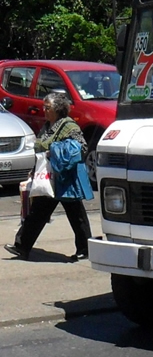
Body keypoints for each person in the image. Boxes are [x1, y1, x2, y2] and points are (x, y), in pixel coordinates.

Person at [5, 92, 93, 261]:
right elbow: (39, 151)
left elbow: (81, 149)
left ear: (58, 109)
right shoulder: (47, 126)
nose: (44, 110)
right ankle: (21, 247)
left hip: (66, 180)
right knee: (37, 212)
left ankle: (85, 249)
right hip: (48, 178)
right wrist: (34, 169)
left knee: (76, 215)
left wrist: (54, 152)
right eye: (44, 106)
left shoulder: (69, 126)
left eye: (48, 107)